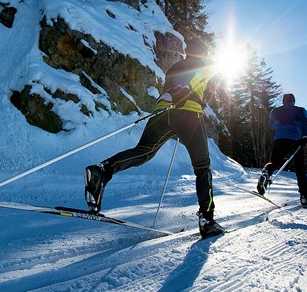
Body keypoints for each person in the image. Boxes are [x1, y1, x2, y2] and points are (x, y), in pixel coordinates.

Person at [83, 36, 225, 238]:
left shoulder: (175, 67)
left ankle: (102, 171)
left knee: (143, 152)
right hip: (188, 113)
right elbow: (212, 69)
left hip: (162, 111)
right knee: (202, 167)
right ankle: (207, 220)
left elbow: (174, 85)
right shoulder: (205, 63)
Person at [257, 93, 307, 208]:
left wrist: (280, 125)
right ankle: (304, 197)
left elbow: (271, 125)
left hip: (279, 139)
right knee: (300, 168)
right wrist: (304, 135)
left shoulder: (275, 111)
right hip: (295, 140)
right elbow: (304, 122)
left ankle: (266, 172)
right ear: (293, 101)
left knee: (274, 162)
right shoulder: (300, 110)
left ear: (283, 101)